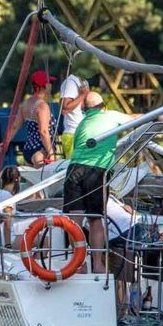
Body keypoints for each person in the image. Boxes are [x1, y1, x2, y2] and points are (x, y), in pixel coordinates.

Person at [62, 92, 138, 273]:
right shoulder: (109, 115)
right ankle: (98, 264)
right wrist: (158, 116)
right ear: (103, 106)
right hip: (96, 171)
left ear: (85, 109)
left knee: (75, 222)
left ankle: (78, 264)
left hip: (74, 170)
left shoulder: (82, 124)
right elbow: (134, 119)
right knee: (95, 220)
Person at [6, 70, 57, 167]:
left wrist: (5, 142)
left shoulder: (25, 104)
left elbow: (15, 126)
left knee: (33, 182)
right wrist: (51, 153)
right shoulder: (42, 106)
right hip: (41, 151)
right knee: (45, 181)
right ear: (45, 86)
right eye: (50, 83)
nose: (51, 85)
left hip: (28, 150)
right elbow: (43, 131)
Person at [59, 72, 90, 159]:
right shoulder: (70, 82)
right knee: (75, 169)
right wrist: (82, 95)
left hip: (85, 133)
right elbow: (64, 109)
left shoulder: (84, 81)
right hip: (73, 134)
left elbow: (84, 106)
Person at [0, 166, 21, 248]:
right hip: (7, 240)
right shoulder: (7, 197)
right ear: (17, 179)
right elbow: (7, 221)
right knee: (44, 240)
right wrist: (8, 245)